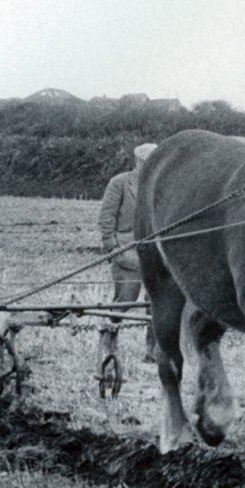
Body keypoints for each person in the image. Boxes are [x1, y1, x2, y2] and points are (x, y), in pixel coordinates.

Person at [99, 143, 158, 361]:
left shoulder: (164, 184)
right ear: (138, 162)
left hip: (156, 252)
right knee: (125, 300)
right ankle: (109, 344)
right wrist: (113, 248)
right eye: (148, 161)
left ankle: (153, 352)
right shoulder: (120, 182)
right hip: (127, 251)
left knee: (156, 303)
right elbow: (106, 217)